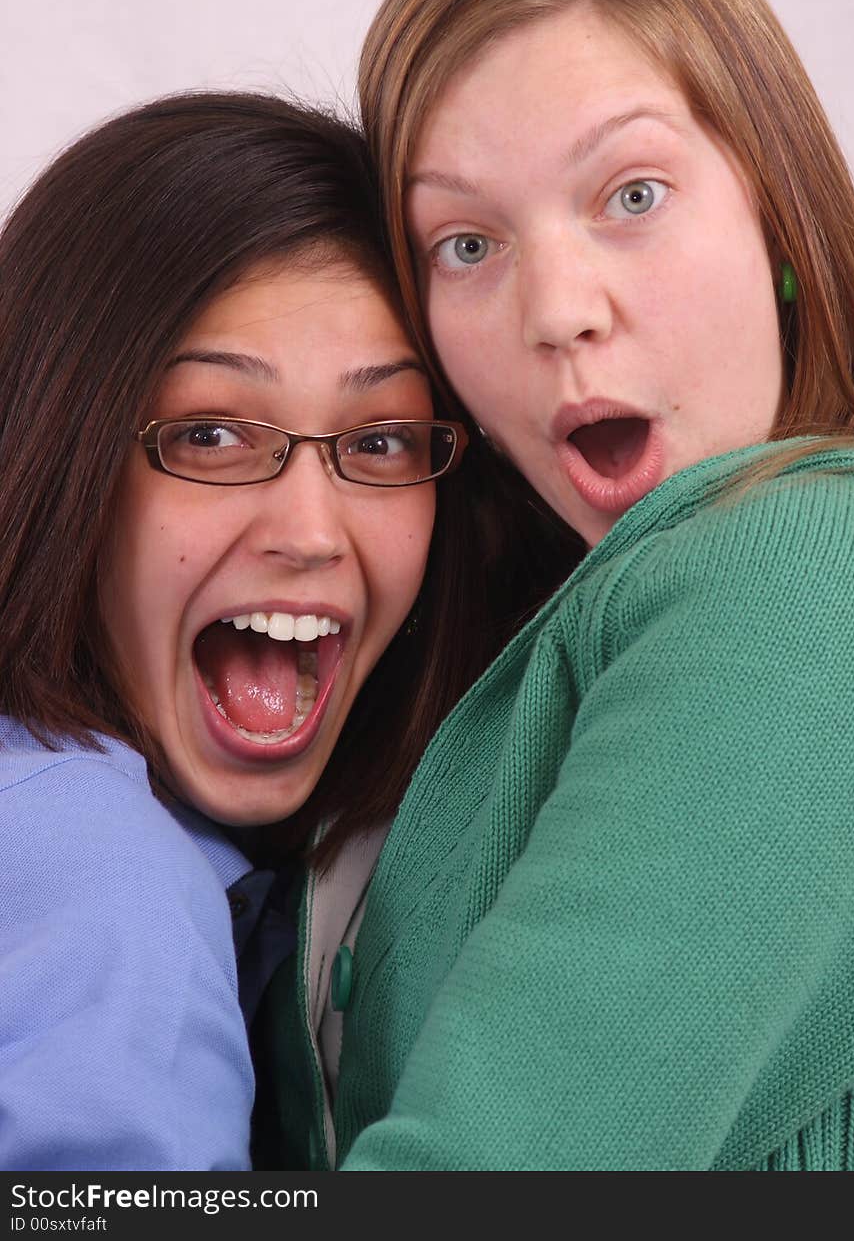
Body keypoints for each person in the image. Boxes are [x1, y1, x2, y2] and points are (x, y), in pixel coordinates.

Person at [268, 0, 854, 1171]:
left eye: (634, 195)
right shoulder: (547, 627)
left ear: (777, 210)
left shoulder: (808, 572)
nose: (558, 308)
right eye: (469, 244)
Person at [0, 91, 570, 1170]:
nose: (311, 530)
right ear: (56, 450)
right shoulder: (107, 878)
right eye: (210, 432)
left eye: (384, 440)